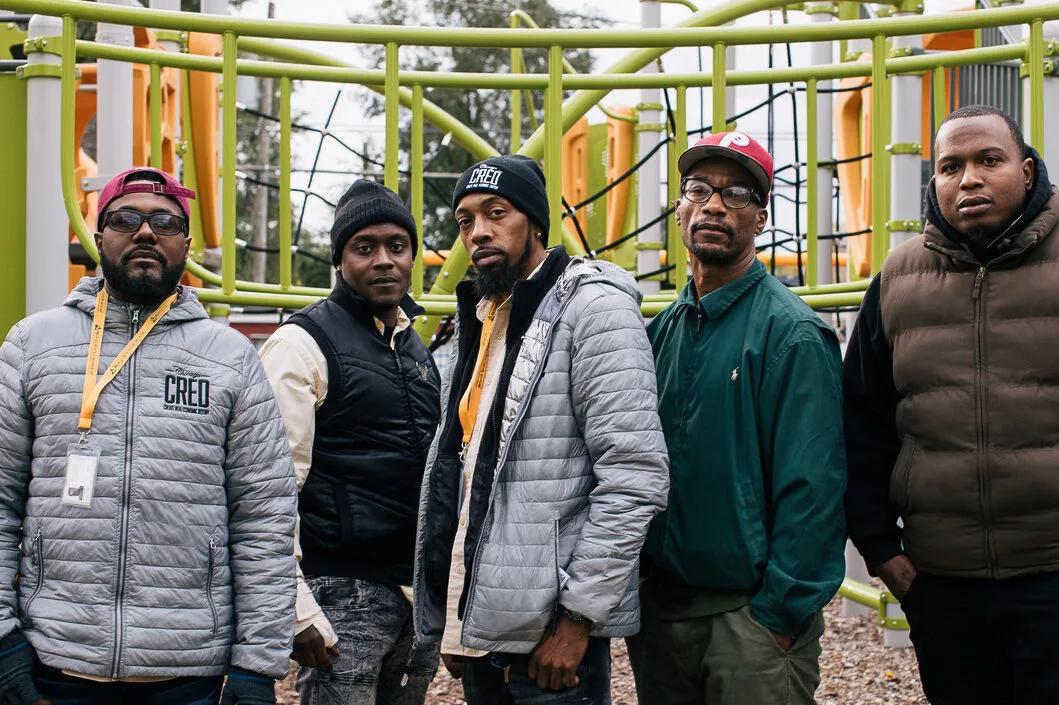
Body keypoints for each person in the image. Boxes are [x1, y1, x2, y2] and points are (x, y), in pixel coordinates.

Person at [0, 167, 297, 705]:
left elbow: (264, 521)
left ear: (186, 243)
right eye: (124, 219)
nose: (144, 232)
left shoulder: (229, 357)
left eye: (165, 221)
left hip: (188, 673)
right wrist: (1, 643)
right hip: (54, 662)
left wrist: (257, 664)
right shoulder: (32, 344)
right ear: (98, 236)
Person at [412, 154, 669, 704]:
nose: (478, 231)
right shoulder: (485, 315)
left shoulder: (594, 309)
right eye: (464, 220)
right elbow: (469, 471)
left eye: (496, 212)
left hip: (554, 641)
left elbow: (634, 475)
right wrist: (457, 613)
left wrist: (579, 619)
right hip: (488, 632)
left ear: (534, 222)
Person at [845, 104, 1059, 704]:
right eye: (950, 166)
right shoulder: (899, 276)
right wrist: (882, 550)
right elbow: (861, 422)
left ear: (1025, 168)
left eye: (988, 160)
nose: (968, 179)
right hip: (944, 586)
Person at [630, 131, 846, 705]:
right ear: (679, 209)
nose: (714, 205)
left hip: (748, 622)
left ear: (762, 217)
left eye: (737, 195)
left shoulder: (791, 333)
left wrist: (778, 613)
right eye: (698, 189)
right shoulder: (658, 333)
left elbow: (815, 487)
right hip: (661, 614)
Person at [259, 179, 441, 705]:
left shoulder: (412, 347)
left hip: (413, 595)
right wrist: (294, 606)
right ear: (340, 260)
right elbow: (268, 488)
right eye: (365, 248)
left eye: (397, 246)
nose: (384, 260)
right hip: (342, 591)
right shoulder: (302, 344)